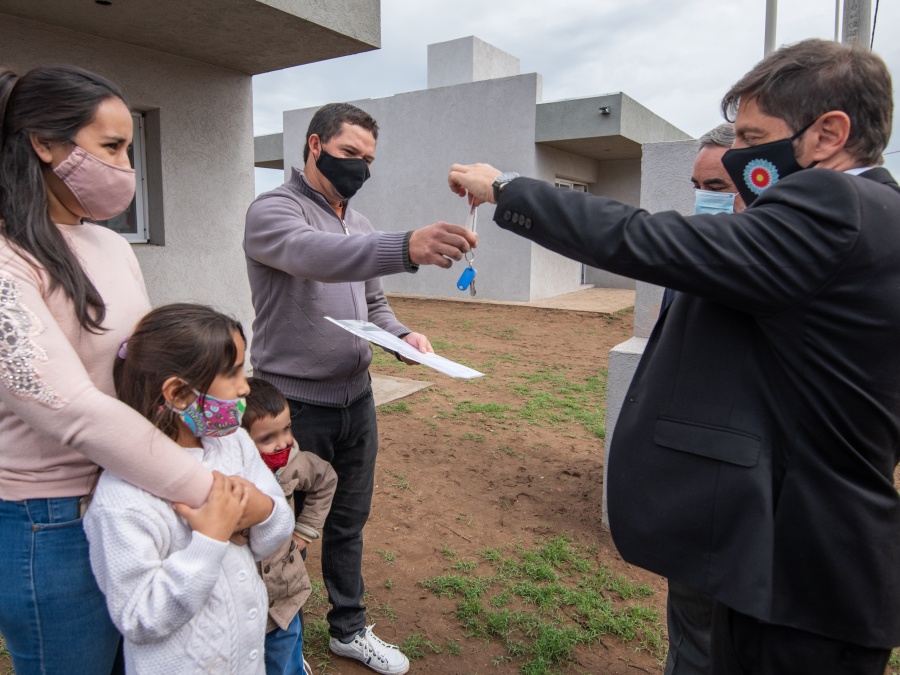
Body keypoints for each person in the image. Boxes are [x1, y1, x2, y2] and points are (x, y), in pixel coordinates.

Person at [448, 39, 899, 675]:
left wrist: (505, 188)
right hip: (801, 561)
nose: (739, 156)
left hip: (801, 573)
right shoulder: (880, 219)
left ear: (828, 133)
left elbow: (647, 239)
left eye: (751, 136)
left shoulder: (837, 206)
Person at [0, 64, 233, 675]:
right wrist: (212, 494)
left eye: (129, 147)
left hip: (132, 492)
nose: (127, 166)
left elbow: (148, 363)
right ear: (43, 144)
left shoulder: (109, 245)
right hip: (51, 522)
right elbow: (71, 408)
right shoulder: (8, 259)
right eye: (111, 147)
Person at [245, 102, 475, 675]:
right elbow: (314, 256)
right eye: (350, 154)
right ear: (314, 145)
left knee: (347, 521)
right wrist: (406, 247)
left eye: (369, 159)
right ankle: (272, 641)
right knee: (275, 531)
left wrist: (404, 337)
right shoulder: (273, 211)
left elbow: (373, 304)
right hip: (292, 409)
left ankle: (348, 628)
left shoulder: (361, 224)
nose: (361, 167)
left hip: (356, 399)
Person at [83, 304, 294, 674]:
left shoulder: (234, 443)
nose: (245, 386)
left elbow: (272, 533)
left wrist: (261, 509)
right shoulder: (123, 499)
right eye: (232, 373)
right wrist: (210, 540)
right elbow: (139, 617)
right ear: (180, 394)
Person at [662, 122, 744, 675]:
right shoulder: (690, 255)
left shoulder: (795, 267)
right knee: (692, 639)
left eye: (717, 186)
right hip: (695, 494)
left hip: (758, 503)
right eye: (699, 185)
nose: (704, 201)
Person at [242, 377, 338, 675]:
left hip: (284, 597)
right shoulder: (224, 476)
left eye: (286, 429)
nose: (283, 441)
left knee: (285, 659)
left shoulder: (293, 463)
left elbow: (325, 479)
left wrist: (305, 531)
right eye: (267, 438)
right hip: (241, 603)